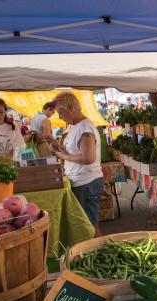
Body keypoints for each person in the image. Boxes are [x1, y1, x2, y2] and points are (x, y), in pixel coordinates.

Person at [49, 91, 104, 236]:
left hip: (87, 183)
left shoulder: (85, 128)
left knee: (90, 224)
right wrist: (58, 146)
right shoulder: (73, 125)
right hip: (80, 181)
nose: (60, 117)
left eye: (61, 112)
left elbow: (88, 158)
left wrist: (64, 156)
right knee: (85, 224)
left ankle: (100, 254)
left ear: (71, 108)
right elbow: (73, 150)